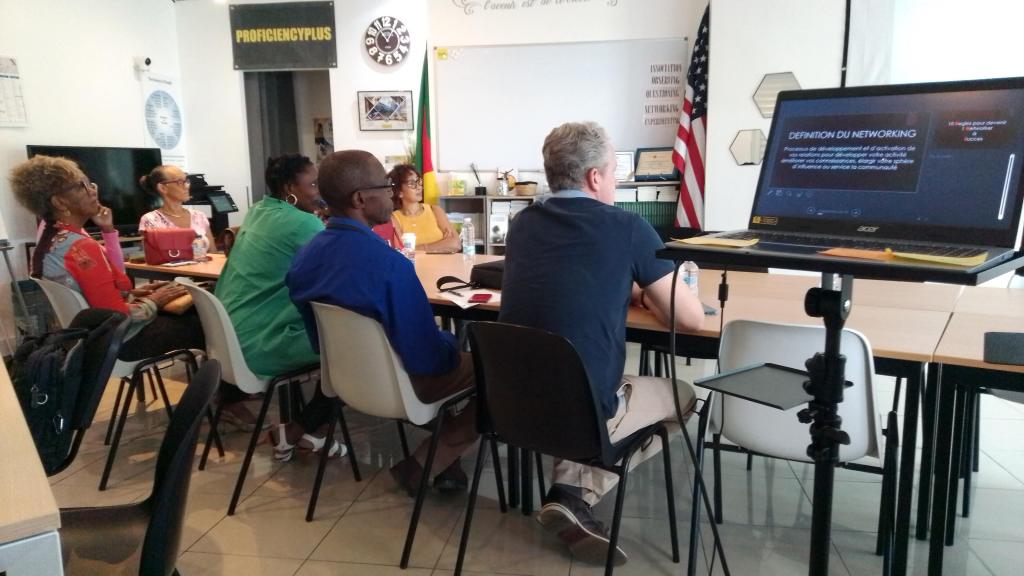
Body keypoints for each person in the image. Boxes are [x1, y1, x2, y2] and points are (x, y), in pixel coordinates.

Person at [499, 122, 705, 565]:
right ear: (595, 177)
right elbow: (689, 319)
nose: (615, 182)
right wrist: (650, 294)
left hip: (512, 402)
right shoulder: (627, 228)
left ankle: (571, 488)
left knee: (575, 374)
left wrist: (633, 288)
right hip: (581, 406)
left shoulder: (522, 224)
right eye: (613, 173)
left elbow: (576, 275)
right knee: (684, 396)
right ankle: (575, 493)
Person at [287, 150, 477, 494]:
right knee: (497, 371)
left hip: (345, 380)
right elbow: (428, 360)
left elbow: (317, 339)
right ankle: (428, 461)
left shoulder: (306, 257)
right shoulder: (391, 266)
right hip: (401, 384)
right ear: (360, 199)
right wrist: (453, 343)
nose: (392, 195)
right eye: (386, 187)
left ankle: (441, 462)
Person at [9, 155, 202, 362]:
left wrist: (136, 292)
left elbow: (92, 294)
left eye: (90, 184)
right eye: (82, 186)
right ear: (60, 202)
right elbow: (116, 316)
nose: (93, 191)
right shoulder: (81, 248)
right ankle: (218, 380)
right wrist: (155, 300)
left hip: (91, 338)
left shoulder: (53, 240)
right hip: (119, 342)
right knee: (205, 318)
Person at [215, 154, 343, 458]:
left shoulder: (258, 211)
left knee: (339, 339)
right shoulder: (303, 222)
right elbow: (344, 266)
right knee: (352, 348)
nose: (320, 193)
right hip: (263, 341)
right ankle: (303, 429)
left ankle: (310, 433)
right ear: (289, 188)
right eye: (313, 185)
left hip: (231, 337)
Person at [138, 164, 215, 256]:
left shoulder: (199, 216)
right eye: (180, 182)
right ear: (162, 188)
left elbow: (214, 253)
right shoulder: (150, 220)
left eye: (186, 181)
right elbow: (153, 257)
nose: (186, 186)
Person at [388, 164, 461, 252]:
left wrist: (417, 248)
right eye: (412, 183)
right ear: (399, 192)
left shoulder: (435, 210)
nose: (419, 187)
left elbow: (456, 244)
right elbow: (402, 251)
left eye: (418, 181)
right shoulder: (394, 218)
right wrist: (442, 244)